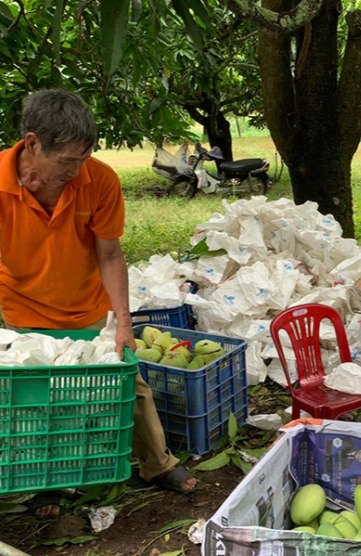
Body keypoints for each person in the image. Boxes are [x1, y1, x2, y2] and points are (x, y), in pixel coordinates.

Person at [0, 89, 196, 518]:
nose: (76, 170)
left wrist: (123, 324)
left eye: (83, 158)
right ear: (32, 144)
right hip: (23, 309)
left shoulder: (98, 180)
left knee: (132, 385)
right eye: (66, 161)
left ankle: (157, 466)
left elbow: (110, 255)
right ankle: (47, 485)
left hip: (86, 307)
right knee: (37, 402)